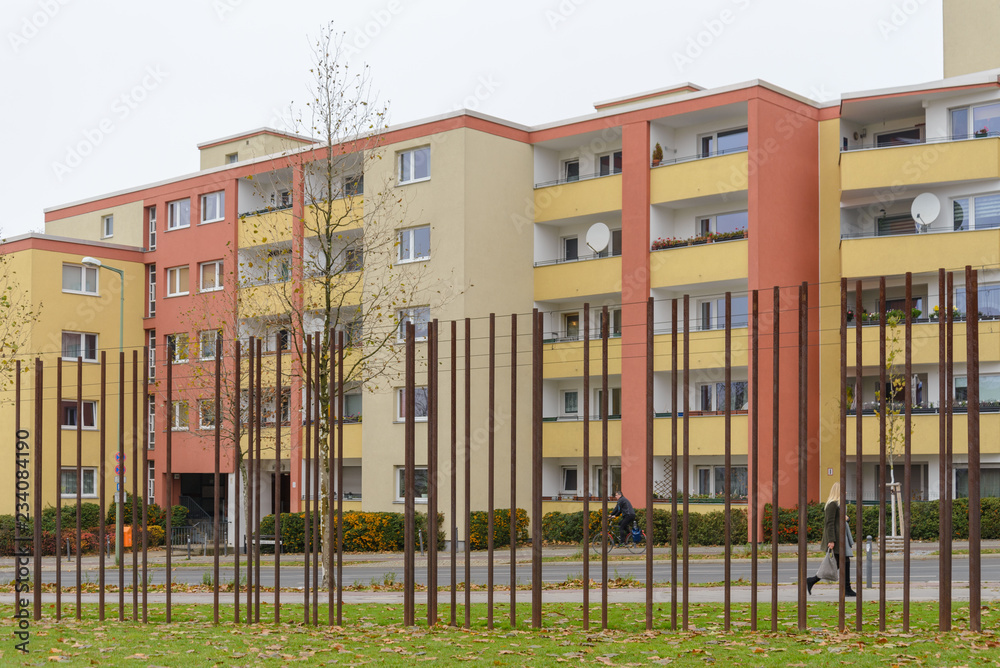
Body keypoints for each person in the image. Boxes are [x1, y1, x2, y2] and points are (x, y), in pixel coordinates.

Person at [807, 482, 857, 597]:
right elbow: (829, 523)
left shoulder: (839, 505)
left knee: (840, 564)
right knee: (843, 563)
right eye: (844, 490)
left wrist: (847, 518)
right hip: (836, 539)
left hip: (841, 537)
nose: (846, 492)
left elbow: (841, 520)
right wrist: (831, 540)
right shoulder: (832, 505)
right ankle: (847, 589)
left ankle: (812, 580)